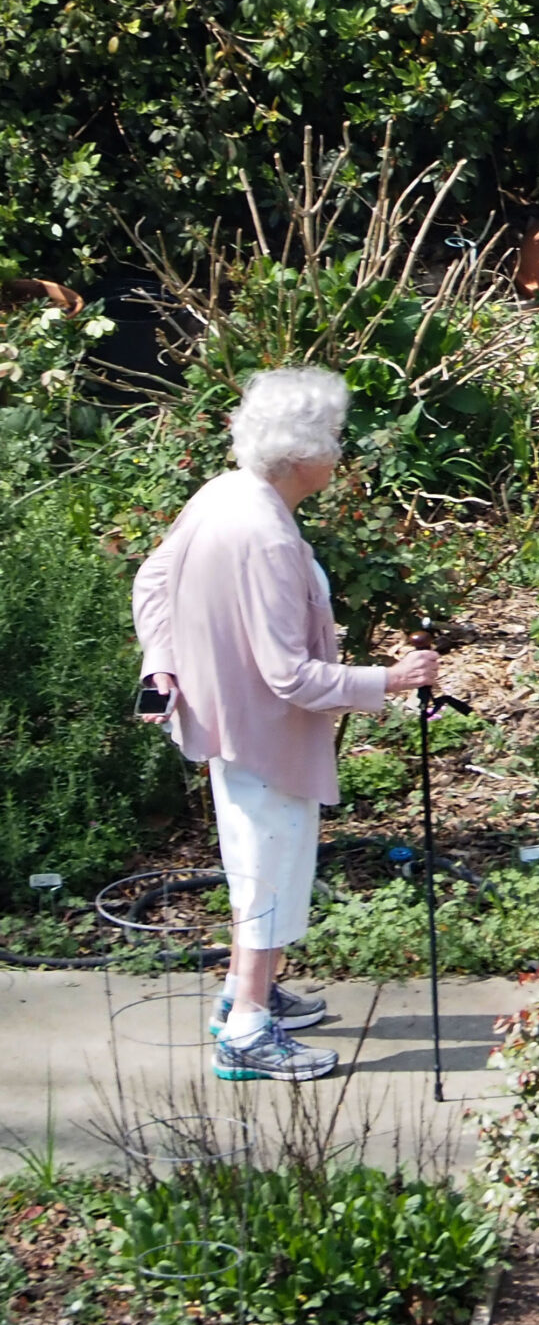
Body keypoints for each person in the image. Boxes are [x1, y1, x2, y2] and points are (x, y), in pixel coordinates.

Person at [132, 368, 439, 1082]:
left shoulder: (225, 494)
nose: (340, 453)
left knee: (255, 860)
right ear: (303, 455)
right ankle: (246, 1030)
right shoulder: (268, 533)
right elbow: (289, 676)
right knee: (270, 872)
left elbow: (152, 579)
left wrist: (162, 664)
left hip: (224, 721)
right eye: (333, 439)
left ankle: (254, 991)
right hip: (264, 734)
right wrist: (389, 680)